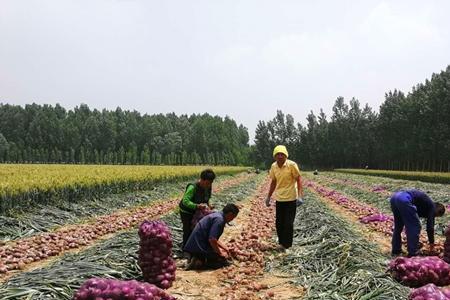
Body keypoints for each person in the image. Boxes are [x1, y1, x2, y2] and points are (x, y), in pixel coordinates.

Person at [265, 145, 304, 250]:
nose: (280, 156)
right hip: (280, 198)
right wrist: (268, 196)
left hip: (291, 198)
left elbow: (299, 179)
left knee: (288, 223)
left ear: (286, 155)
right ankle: (282, 243)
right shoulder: (273, 166)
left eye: (282, 154)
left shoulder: (292, 165)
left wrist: (300, 196)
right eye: (278, 154)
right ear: (275, 156)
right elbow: (273, 181)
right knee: (279, 223)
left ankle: (286, 245)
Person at [184, 203, 240, 270]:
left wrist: (224, 248)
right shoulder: (219, 220)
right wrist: (220, 253)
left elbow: (213, 238)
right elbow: (212, 239)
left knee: (220, 254)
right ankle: (199, 262)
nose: (232, 219)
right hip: (199, 247)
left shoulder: (217, 215)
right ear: (230, 214)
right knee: (222, 261)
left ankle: (198, 257)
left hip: (195, 245)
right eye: (233, 217)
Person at [390, 189, 445, 257]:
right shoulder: (432, 207)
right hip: (404, 199)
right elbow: (430, 228)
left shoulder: (425, 206)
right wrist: (431, 243)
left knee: (398, 226)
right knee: (415, 226)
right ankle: (413, 253)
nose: (434, 216)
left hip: (395, 197)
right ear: (438, 210)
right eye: (436, 215)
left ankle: (396, 250)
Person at [179, 169, 215, 249]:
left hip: (197, 211)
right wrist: (197, 206)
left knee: (198, 229)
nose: (208, 185)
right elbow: (185, 201)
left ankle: (195, 246)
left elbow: (207, 198)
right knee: (187, 229)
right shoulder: (193, 187)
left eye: (210, 183)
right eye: (207, 183)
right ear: (202, 179)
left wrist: (209, 205)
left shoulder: (208, 186)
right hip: (186, 211)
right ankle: (185, 249)